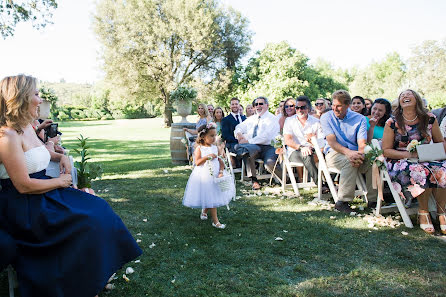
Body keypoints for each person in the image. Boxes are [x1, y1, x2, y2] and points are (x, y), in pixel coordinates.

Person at [0, 75, 142, 297]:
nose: (40, 99)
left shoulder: (27, 126)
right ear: (21, 97)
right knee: (88, 222)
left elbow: (41, 152)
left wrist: (60, 157)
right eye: (36, 94)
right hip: (25, 207)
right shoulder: (6, 136)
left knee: (99, 209)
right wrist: (62, 181)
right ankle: (80, 284)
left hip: (44, 193)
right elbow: (23, 185)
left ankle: (92, 279)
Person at [382, 89, 446, 234]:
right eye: (402, 95)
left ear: (416, 99)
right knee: (420, 170)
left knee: (443, 169)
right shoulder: (392, 122)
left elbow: (440, 142)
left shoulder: (430, 118)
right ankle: (423, 212)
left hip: (425, 158)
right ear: (399, 102)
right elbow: (386, 150)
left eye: (409, 94)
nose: (405, 96)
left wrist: (431, 153)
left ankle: (442, 213)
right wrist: (408, 154)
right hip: (399, 160)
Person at [320, 90, 377, 212]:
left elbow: (362, 143)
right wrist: (350, 153)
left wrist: (360, 155)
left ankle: (373, 200)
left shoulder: (359, 118)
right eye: (333, 105)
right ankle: (343, 202)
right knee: (348, 160)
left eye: (339, 106)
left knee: (374, 162)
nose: (335, 109)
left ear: (347, 105)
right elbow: (332, 142)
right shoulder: (326, 117)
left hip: (356, 153)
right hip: (334, 153)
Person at [182, 123, 234, 229]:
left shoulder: (216, 148)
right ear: (203, 136)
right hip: (204, 174)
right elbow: (197, 163)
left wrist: (220, 171)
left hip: (215, 173)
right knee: (211, 195)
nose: (214, 138)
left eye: (215, 135)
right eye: (211, 136)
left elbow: (221, 161)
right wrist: (207, 157)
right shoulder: (199, 149)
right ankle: (215, 221)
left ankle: (204, 211)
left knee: (212, 193)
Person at [234, 96, 281, 190]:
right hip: (254, 146)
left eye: (261, 104)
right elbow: (239, 126)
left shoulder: (272, 119)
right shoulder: (252, 118)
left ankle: (285, 179)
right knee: (247, 152)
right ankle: (254, 180)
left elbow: (265, 136)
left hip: (268, 146)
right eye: (256, 104)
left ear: (267, 105)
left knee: (270, 163)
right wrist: (239, 134)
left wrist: (248, 141)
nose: (258, 106)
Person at [283, 96, 325, 185]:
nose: (299, 110)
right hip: (295, 151)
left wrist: (317, 149)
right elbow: (288, 140)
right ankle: (321, 184)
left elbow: (321, 141)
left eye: (303, 107)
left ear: (309, 109)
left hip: (313, 150)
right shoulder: (289, 121)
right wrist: (302, 147)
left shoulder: (316, 122)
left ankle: (331, 181)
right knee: (307, 154)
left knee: (326, 155)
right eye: (297, 108)